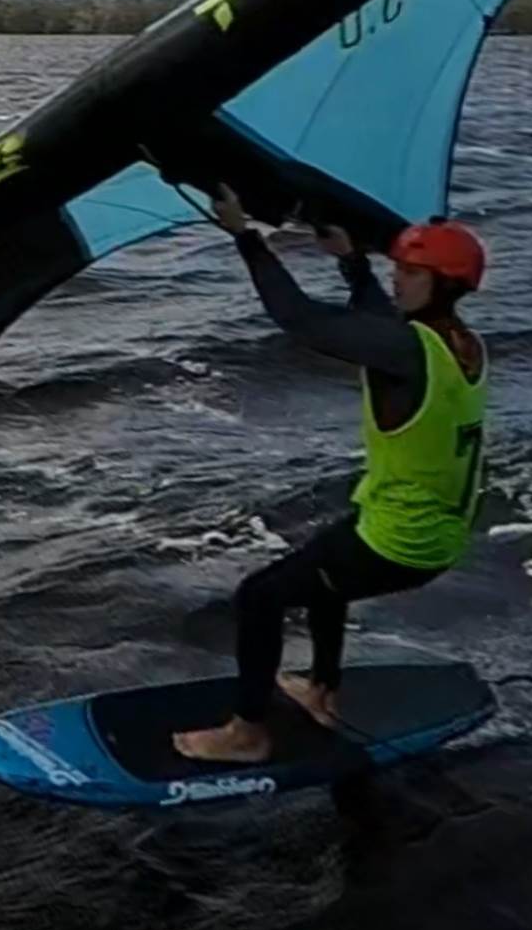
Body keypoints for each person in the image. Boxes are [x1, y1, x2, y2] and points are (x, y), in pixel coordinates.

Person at [172, 189, 490, 764]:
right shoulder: (461, 344)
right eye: (398, 269)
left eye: (410, 272)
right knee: (323, 566)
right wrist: (352, 261)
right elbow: (382, 326)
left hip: (401, 541)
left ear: (440, 283)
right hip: (430, 530)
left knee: (260, 596)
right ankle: (322, 692)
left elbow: (297, 318)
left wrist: (244, 235)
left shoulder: (405, 347)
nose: (398, 281)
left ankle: (247, 733)